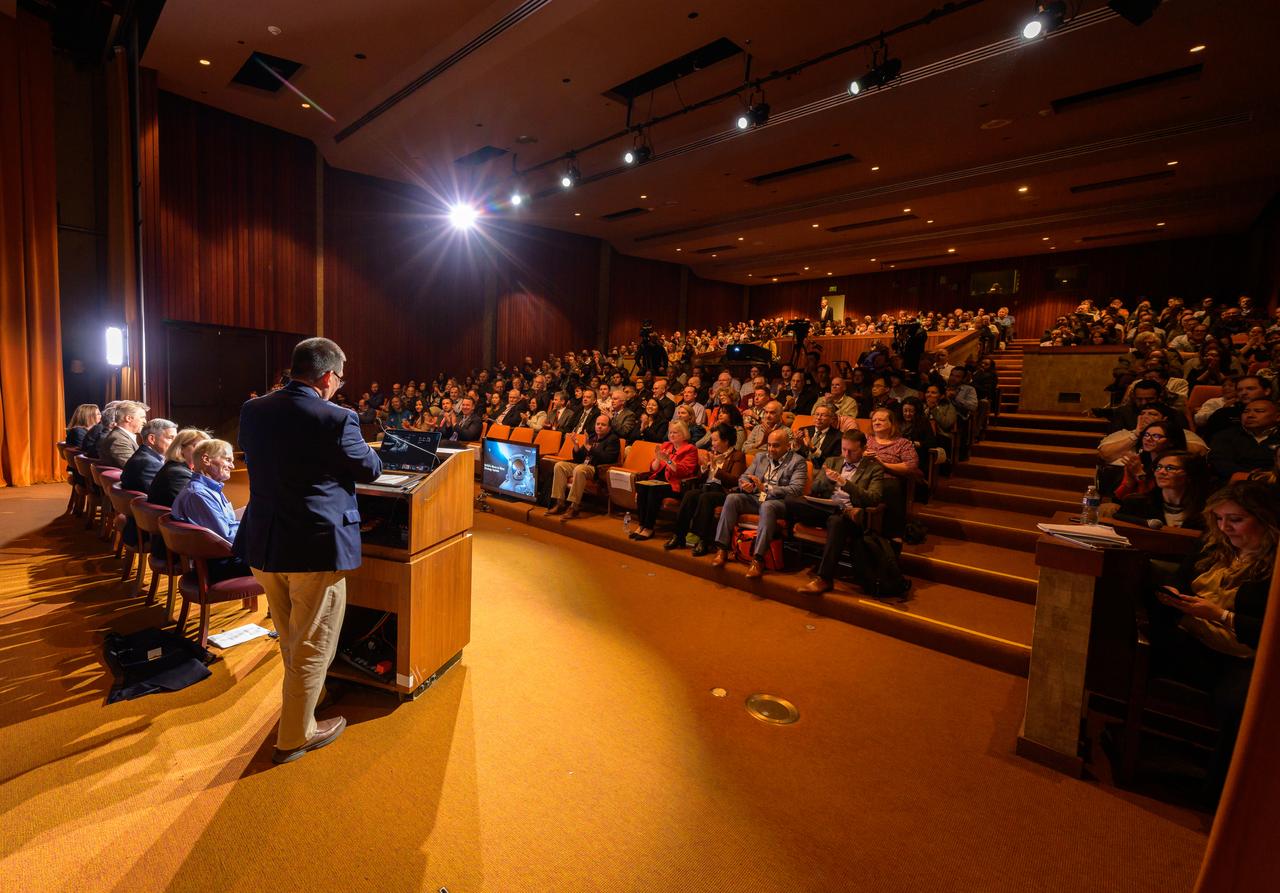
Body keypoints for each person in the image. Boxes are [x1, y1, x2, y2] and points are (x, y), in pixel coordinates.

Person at [235, 337, 383, 764]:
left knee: (292, 637)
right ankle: (297, 733)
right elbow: (368, 469)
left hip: (265, 541)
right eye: (339, 378)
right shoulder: (338, 418)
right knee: (313, 642)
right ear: (327, 376)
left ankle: (308, 697)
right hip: (315, 546)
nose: (338, 385)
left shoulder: (253, 409)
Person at [1147, 481, 1277, 793]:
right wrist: (1174, 595)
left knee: (1240, 704)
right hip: (1191, 638)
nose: (1224, 527)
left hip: (1241, 655)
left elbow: (1269, 629)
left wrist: (1220, 616)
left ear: (1264, 518)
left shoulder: (1274, 564)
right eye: (1219, 519)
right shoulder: (1214, 544)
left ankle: (1221, 792)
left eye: (1235, 520)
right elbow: (1180, 577)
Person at [784, 429, 885, 594]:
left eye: (851, 451)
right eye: (844, 449)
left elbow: (873, 498)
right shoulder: (832, 461)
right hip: (824, 509)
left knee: (836, 521)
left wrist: (844, 482)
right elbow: (815, 488)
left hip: (851, 520)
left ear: (863, 449)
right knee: (790, 499)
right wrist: (827, 479)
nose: (846, 454)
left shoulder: (874, 469)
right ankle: (841, 512)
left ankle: (824, 579)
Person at [710, 427, 808, 579]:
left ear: (787, 446)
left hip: (778, 503)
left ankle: (758, 559)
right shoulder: (761, 457)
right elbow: (744, 477)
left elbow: (795, 490)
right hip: (756, 498)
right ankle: (722, 548)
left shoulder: (798, 461)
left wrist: (766, 488)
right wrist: (746, 485)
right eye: (769, 445)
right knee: (732, 498)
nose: (770, 449)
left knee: (768, 506)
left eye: (775, 445)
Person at [171, 439, 252, 583]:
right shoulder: (198, 494)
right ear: (206, 460)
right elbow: (227, 539)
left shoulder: (208, 489)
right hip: (216, 566)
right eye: (227, 460)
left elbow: (228, 522)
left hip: (220, 558)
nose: (232, 466)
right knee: (282, 554)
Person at [666, 423, 746, 554]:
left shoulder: (737, 456)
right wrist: (704, 468)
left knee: (705, 498)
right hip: (707, 488)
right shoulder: (711, 454)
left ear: (726, 441)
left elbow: (734, 480)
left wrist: (716, 469)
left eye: (715, 440)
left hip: (723, 491)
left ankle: (703, 540)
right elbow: (700, 479)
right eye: (712, 440)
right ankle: (678, 535)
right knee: (690, 495)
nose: (712, 443)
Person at [630, 419, 699, 541]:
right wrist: (657, 459)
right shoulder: (666, 445)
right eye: (670, 432)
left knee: (653, 489)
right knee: (642, 486)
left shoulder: (690, 449)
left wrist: (668, 460)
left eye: (675, 433)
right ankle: (641, 525)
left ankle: (649, 528)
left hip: (675, 485)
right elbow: (653, 468)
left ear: (683, 434)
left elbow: (684, 471)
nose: (671, 435)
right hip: (658, 481)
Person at [546, 413, 620, 520]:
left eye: (603, 425)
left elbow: (608, 458)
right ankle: (560, 503)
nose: (599, 426)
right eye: (597, 424)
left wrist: (590, 448)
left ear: (609, 428)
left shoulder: (613, 440)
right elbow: (578, 458)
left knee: (579, 469)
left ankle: (574, 507)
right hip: (583, 466)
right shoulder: (592, 437)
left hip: (597, 469)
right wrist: (576, 446)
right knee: (560, 465)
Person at [1113, 451, 1209, 530]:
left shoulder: (1205, 512)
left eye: (1170, 468)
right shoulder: (1135, 503)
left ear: (1190, 475)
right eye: (1158, 467)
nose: (1161, 472)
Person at [1208, 397, 1280, 481]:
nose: (1250, 415)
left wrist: (1268, 476)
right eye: (1246, 411)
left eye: (1259, 411)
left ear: (1278, 417)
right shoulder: (1226, 435)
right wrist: (1250, 476)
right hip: (1234, 483)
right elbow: (1219, 462)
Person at [1113, 422, 1187, 500]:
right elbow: (1120, 496)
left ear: (1171, 442)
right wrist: (1129, 481)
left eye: (1156, 436)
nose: (1148, 439)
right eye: (1146, 435)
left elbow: (1154, 498)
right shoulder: (1139, 460)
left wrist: (1139, 474)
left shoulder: (1177, 464)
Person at [98, 401, 148, 469]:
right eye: (142, 417)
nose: (145, 421)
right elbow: (136, 469)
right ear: (128, 418)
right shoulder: (119, 441)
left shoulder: (120, 436)